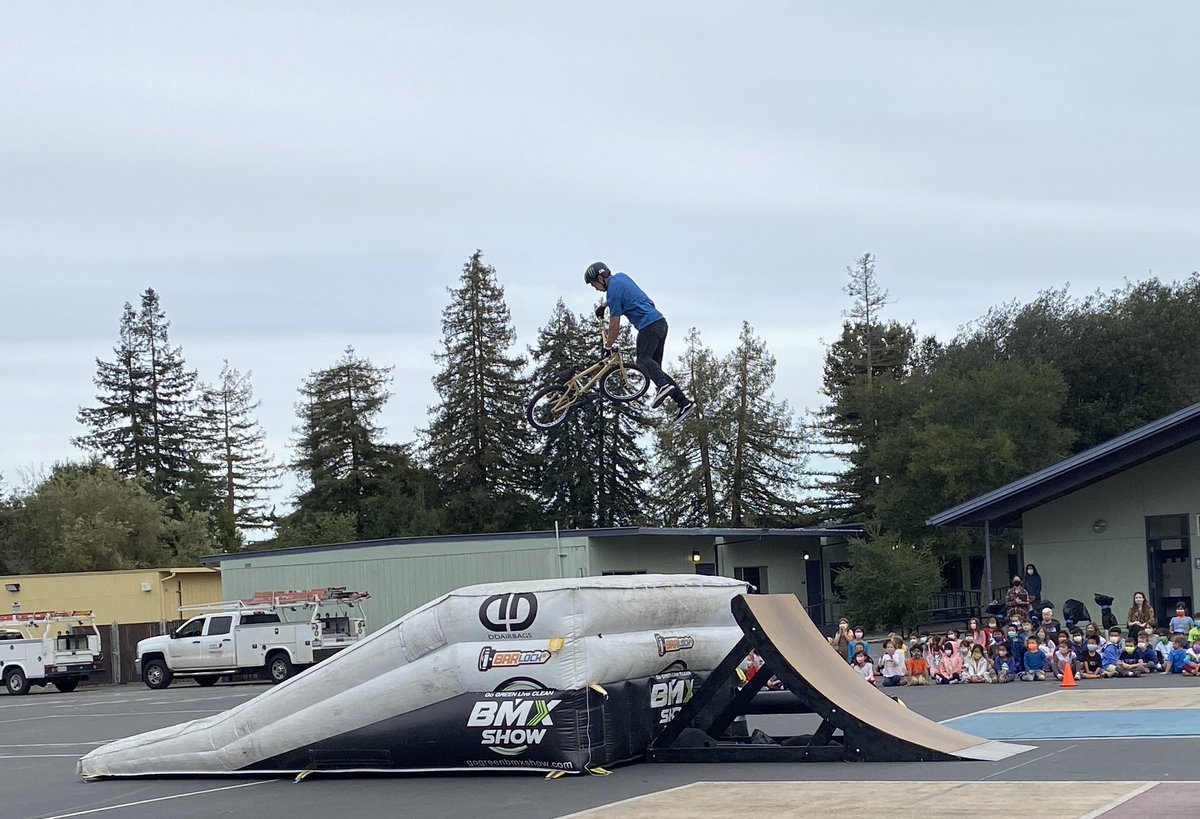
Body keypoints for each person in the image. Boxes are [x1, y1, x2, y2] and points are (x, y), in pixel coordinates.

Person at [585, 262, 694, 423]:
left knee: (642, 360)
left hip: (648, 326)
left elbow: (614, 327)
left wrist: (607, 347)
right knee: (654, 370)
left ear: (601, 278)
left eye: (594, 285)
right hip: (661, 323)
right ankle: (684, 403)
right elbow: (626, 293)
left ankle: (663, 386)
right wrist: (604, 305)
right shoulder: (621, 277)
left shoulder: (612, 294)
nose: (596, 289)